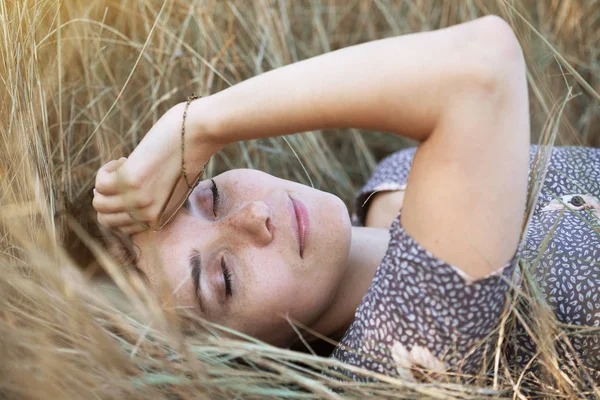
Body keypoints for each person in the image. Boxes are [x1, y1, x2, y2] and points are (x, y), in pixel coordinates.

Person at [92, 15, 600, 381]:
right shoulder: (393, 353)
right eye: (223, 277)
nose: (255, 216)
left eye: (213, 196)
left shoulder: (397, 173)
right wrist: (197, 125)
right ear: (236, 354)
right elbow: (483, 66)